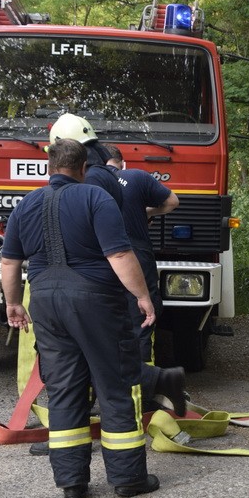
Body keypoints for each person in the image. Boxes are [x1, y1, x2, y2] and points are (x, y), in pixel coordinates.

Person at [0, 137, 161, 498]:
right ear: (84, 168)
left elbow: (10, 262)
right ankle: (127, 478)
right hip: (96, 303)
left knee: (65, 389)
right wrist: (142, 297)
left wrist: (13, 304)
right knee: (115, 384)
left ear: (49, 167)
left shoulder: (26, 204)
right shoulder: (95, 198)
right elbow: (120, 255)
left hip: (44, 304)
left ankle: (72, 481)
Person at [102, 143, 180, 362]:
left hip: (100, 256)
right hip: (136, 255)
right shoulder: (137, 177)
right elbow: (173, 201)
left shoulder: (89, 181)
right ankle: (141, 387)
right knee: (142, 318)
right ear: (122, 163)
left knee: (101, 319)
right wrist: (145, 212)